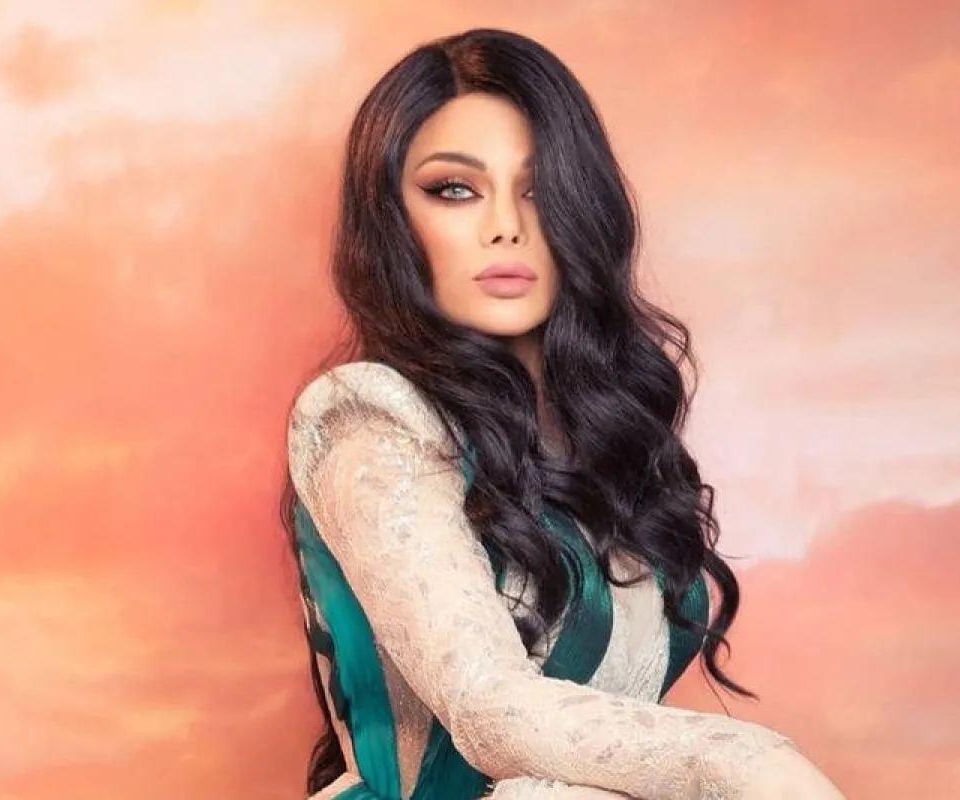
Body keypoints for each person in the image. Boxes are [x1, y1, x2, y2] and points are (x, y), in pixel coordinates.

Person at [283, 28, 846, 800]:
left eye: (539, 188)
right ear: (390, 221)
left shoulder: (604, 437)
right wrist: (747, 761)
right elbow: (489, 710)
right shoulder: (369, 418)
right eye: (454, 190)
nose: (505, 225)